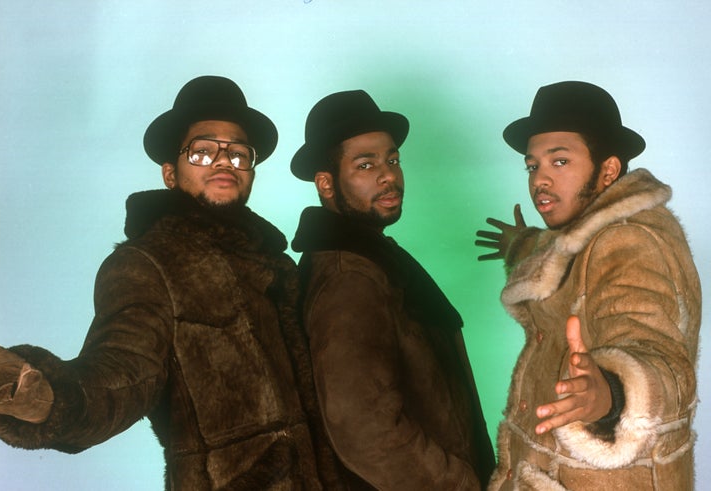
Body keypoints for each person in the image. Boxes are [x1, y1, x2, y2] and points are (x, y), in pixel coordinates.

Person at [0, 75, 341, 490]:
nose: (223, 161)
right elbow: (121, 375)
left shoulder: (274, 264)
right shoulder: (147, 263)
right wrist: (43, 393)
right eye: (203, 151)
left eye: (238, 153)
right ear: (171, 174)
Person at [475, 81, 701, 490]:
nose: (540, 180)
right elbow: (565, 254)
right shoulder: (597, 230)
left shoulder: (630, 240)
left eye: (559, 162)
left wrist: (611, 393)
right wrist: (521, 244)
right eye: (533, 166)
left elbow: (657, 352)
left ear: (608, 170)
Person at [289, 90, 496, 490]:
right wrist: (459, 484)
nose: (389, 175)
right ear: (326, 183)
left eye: (393, 160)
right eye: (365, 165)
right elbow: (363, 427)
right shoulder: (350, 277)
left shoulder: (372, 257)